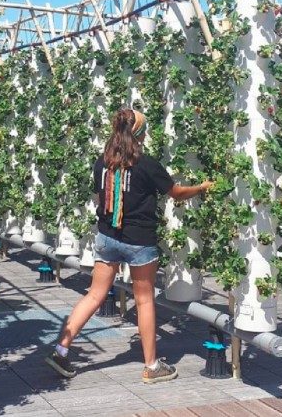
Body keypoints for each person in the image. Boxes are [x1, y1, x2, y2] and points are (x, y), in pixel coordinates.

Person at [45, 108, 213, 384]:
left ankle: (61, 349)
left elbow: (102, 198)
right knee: (145, 300)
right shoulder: (147, 165)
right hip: (139, 242)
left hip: (108, 237)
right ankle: (152, 365)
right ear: (139, 135)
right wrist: (202, 187)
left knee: (94, 295)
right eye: (145, 130)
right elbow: (176, 194)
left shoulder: (103, 163)